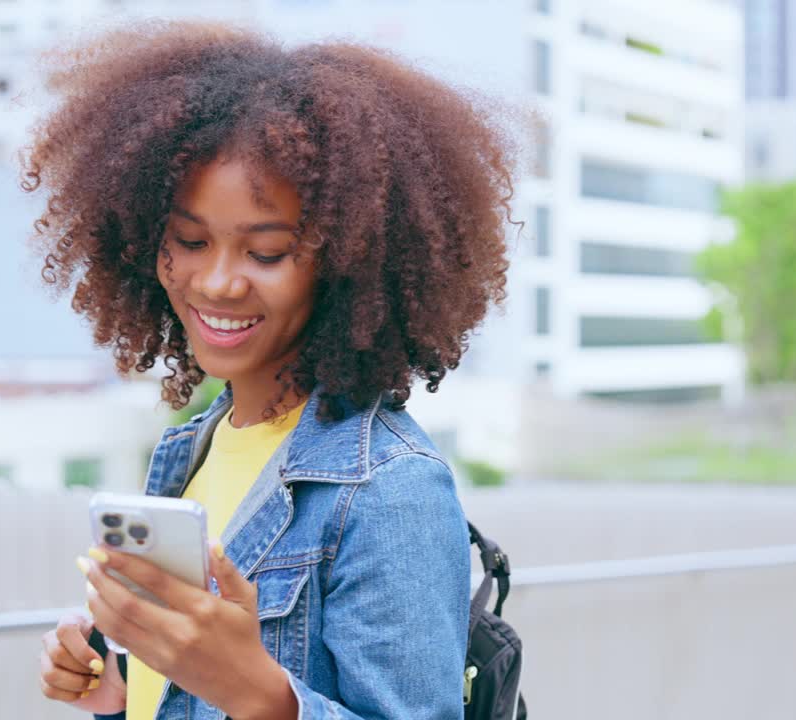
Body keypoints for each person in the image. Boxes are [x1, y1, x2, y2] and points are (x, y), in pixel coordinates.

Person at [28, 22, 515, 720]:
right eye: (190, 241)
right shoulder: (187, 450)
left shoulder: (390, 487)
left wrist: (256, 692)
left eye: (266, 252)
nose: (218, 282)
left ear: (347, 262)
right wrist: (121, 690)